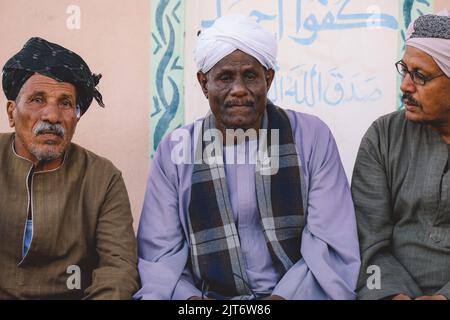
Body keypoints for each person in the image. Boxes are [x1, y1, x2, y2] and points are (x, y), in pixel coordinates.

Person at [135, 14, 360, 300]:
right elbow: (160, 256)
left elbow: (329, 242)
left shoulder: (312, 136)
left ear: (269, 78)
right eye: (225, 77)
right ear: (204, 83)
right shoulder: (175, 150)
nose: (239, 89)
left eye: (250, 76)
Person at [0, 37, 139, 299]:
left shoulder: (103, 178)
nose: (52, 116)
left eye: (65, 103)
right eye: (38, 99)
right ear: (11, 112)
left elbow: (118, 269)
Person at [352, 10, 450, 300]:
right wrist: (393, 295)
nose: (405, 86)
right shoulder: (383, 137)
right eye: (404, 70)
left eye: (420, 76)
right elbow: (368, 239)